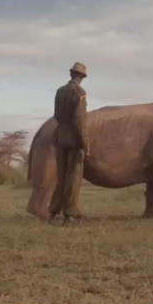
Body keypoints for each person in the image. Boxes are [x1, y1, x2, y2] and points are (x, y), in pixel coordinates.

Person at [48, 62, 90, 226]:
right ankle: (70, 213)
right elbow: (80, 119)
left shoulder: (60, 91)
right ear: (81, 77)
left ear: (71, 74)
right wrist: (84, 142)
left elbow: (57, 116)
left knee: (61, 177)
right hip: (74, 139)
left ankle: (53, 212)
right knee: (73, 177)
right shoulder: (79, 92)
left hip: (60, 137)